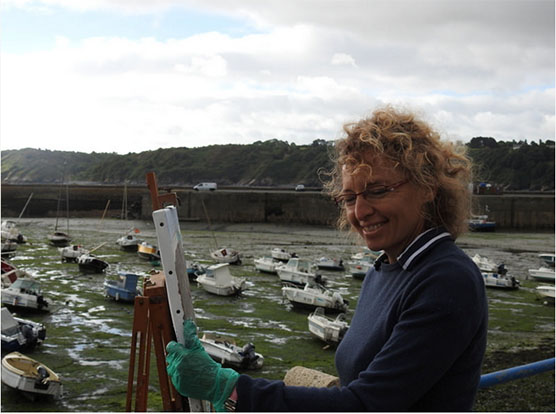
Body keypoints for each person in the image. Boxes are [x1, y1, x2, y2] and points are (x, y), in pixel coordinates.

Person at [165, 105, 488, 411]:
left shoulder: (445, 280)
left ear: (428, 186)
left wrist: (229, 389)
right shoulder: (386, 269)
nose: (360, 212)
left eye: (377, 191)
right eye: (349, 197)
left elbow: (366, 405)